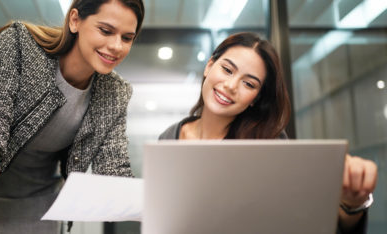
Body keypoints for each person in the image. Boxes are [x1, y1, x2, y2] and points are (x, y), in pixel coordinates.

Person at [0, 0, 144, 233]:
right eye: (106, 30)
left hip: (39, 200)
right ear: (75, 20)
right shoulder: (20, 45)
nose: (116, 46)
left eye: (127, 38)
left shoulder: (115, 92)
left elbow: (113, 171)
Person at [159, 32, 377, 234]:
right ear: (209, 66)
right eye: (227, 69)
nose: (231, 85)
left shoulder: (268, 142)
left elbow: (310, 220)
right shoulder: (170, 137)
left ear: (255, 98)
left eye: (249, 83)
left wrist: (352, 203)